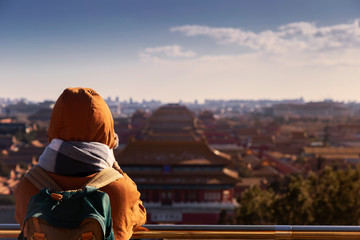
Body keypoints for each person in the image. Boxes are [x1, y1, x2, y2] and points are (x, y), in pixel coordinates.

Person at [15, 87, 146, 240]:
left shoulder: (27, 185)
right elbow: (140, 215)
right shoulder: (121, 190)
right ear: (107, 132)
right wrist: (116, 168)